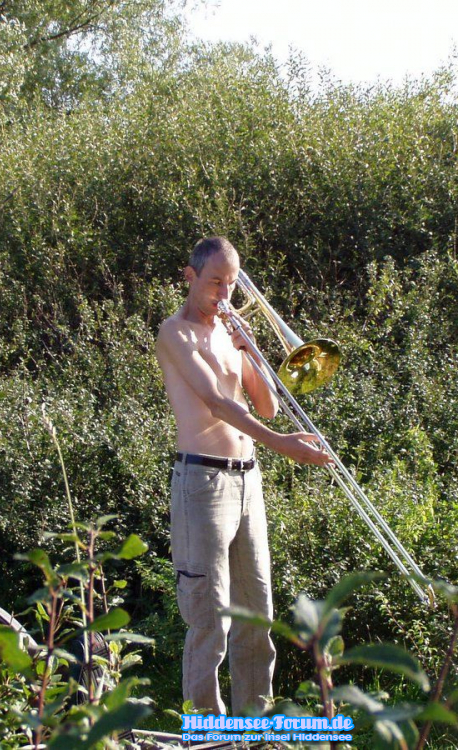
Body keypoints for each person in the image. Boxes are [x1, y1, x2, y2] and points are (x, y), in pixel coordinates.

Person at [156, 237, 331, 715]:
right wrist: (285, 447)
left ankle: (256, 734)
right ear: (190, 277)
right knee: (210, 620)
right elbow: (215, 402)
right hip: (202, 486)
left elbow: (268, 406)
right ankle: (207, 737)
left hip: (247, 481)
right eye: (215, 282)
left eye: (231, 284)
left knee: (258, 616)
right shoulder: (175, 333)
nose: (223, 293)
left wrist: (249, 351)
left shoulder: (227, 332)